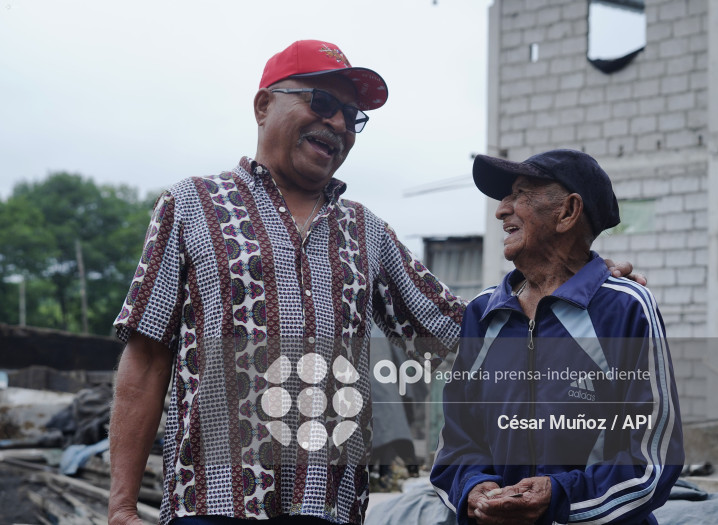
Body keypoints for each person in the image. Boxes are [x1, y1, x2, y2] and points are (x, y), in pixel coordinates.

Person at [108, 40, 642, 525]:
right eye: (322, 102)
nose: (339, 123)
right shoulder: (191, 207)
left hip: (328, 505)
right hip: (214, 502)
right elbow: (147, 356)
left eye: (352, 116)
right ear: (263, 105)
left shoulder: (366, 232)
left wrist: (573, 278)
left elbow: (466, 333)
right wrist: (122, 505)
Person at [430, 150, 683, 525]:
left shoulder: (625, 308)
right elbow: (456, 443)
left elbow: (652, 461)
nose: (501, 210)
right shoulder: (482, 313)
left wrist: (559, 498)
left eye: (520, 194)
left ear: (567, 212)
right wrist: (472, 488)